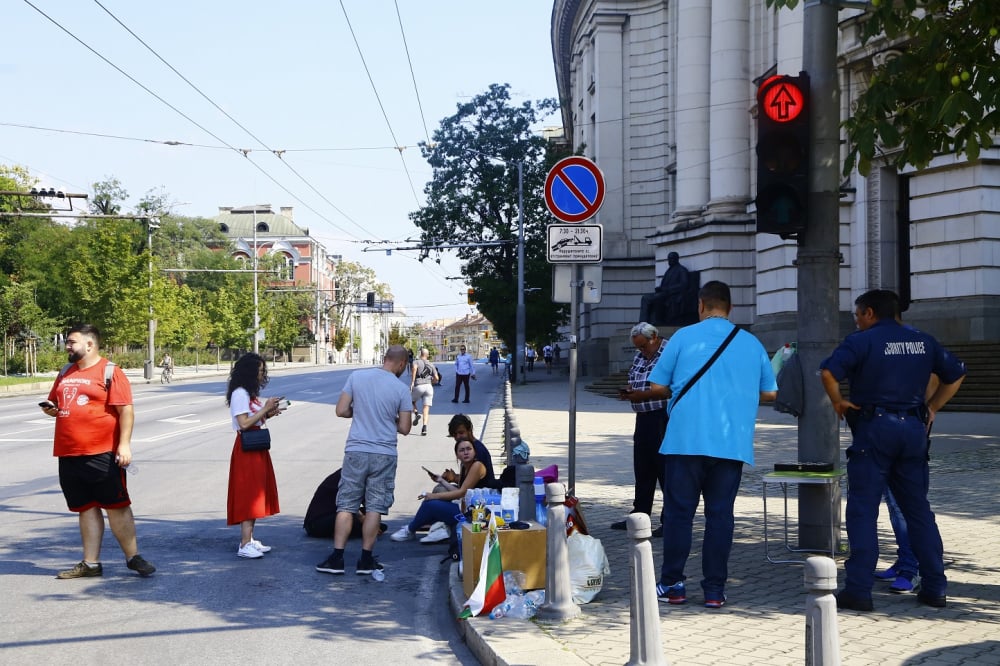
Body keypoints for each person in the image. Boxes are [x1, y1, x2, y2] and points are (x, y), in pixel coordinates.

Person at [820, 289, 966, 611]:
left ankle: (858, 590)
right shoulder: (923, 341)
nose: (856, 321)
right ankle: (935, 587)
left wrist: (838, 401)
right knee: (918, 511)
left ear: (870, 313)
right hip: (913, 430)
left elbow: (829, 372)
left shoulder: (861, 341)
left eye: (858, 315)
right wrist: (932, 408)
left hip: (875, 431)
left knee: (863, 510)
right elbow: (955, 375)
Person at [648, 281, 777, 608]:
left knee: (679, 514)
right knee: (721, 516)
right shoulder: (751, 343)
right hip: (731, 443)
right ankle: (715, 590)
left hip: (684, 441)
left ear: (701, 305)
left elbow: (657, 384)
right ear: (730, 308)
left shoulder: (682, 337)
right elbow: (770, 394)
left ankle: (673, 585)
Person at [41, 323, 156, 579]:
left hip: (102, 452)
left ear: (89, 344)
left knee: (116, 505)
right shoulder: (65, 371)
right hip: (68, 452)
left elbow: (126, 410)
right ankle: (90, 564)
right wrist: (51, 409)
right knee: (85, 507)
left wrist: (124, 444)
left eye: (72, 342)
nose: (67, 347)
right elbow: (58, 403)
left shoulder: (110, 371)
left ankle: (133, 557)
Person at [316, 345, 412, 576]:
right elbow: (405, 428)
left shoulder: (356, 377)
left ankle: (337, 558)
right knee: (375, 507)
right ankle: (366, 560)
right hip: (384, 454)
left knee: (346, 505)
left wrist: (358, 411)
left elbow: (340, 410)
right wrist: (391, 418)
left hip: (356, 450)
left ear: (384, 358)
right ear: (401, 364)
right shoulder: (401, 389)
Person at [613, 322, 669, 537]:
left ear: (654, 337)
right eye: (638, 347)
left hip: (664, 417)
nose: (641, 350)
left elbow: (670, 389)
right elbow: (636, 379)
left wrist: (642, 395)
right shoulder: (640, 355)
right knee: (643, 468)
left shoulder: (669, 353)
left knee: (665, 469)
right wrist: (629, 392)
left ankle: (669, 520)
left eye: (644, 346)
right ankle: (640, 514)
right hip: (643, 418)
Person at [226, 353, 284, 559]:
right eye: (259, 371)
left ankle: (249, 539)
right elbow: (243, 423)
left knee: (257, 493)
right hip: (247, 448)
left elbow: (253, 418)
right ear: (250, 372)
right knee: (249, 495)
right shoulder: (240, 394)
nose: (262, 375)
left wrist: (269, 413)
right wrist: (265, 409)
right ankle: (244, 544)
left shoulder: (247, 394)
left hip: (256, 446)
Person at [389, 438, 491, 543]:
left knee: (430, 504)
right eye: (462, 450)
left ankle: (410, 530)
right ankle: (434, 528)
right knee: (437, 492)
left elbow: (462, 492)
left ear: (474, 451)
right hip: (466, 508)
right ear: (457, 455)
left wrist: (433, 496)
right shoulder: (464, 466)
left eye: (468, 449)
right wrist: (441, 480)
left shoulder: (477, 466)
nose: (465, 452)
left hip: (475, 514)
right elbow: (460, 492)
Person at [303, 468, 386, 540]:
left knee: (377, 523)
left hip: (334, 514)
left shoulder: (360, 475)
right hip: (317, 524)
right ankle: (344, 532)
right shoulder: (348, 477)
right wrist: (364, 520)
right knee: (358, 520)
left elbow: (369, 505)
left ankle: (348, 530)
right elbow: (349, 505)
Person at [639, 251, 691, 325]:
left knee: (647, 298)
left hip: (671, 294)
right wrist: (660, 288)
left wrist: (668, 289)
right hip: (664, 293)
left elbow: (684, 284)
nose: (669, 261)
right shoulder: (669, 270)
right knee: (645, 297)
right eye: (669, 259)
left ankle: (646, 322)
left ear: (676, 259)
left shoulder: (681, 270)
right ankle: (643, 321)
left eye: (671, 259)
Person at [410, 348, 440, 437]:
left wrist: (412, 382)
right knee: (426, 408)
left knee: (410, 401)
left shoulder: (416, 362)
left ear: (420, 354)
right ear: (427, 355)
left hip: (419, 386)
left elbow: (414, 370)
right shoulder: (431, 365)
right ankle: (424, 428)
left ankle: (416, 413)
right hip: (429, 387)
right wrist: (433, 382)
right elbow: (437, 378)